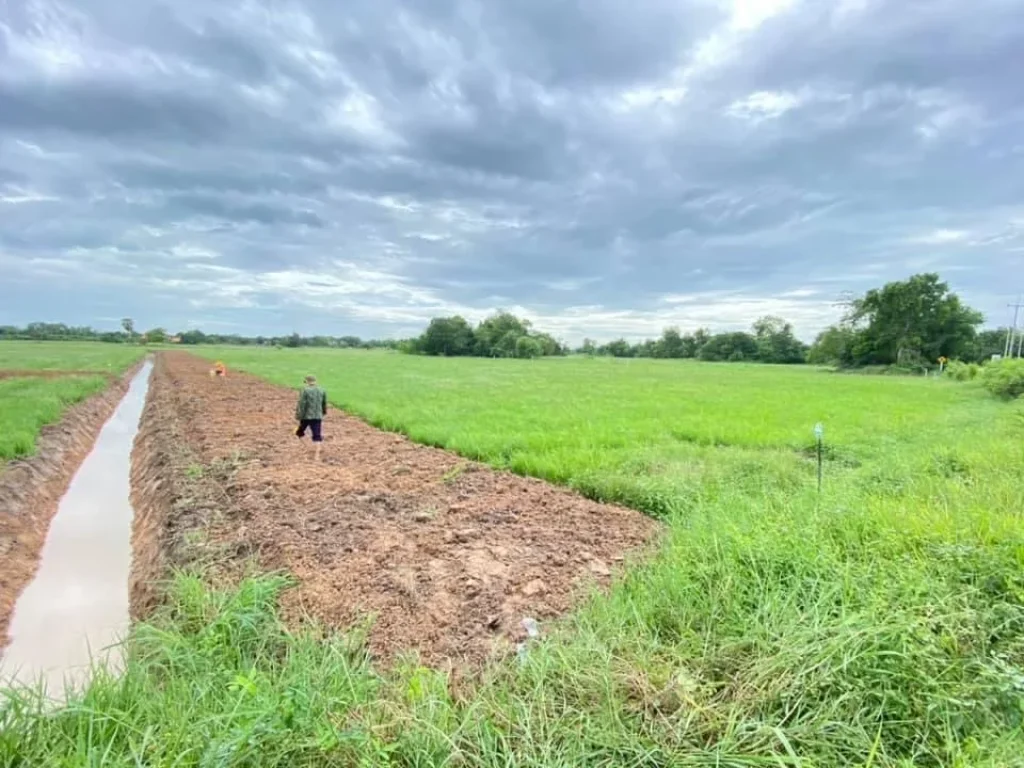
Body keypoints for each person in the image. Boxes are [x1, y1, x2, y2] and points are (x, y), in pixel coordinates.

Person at [295, 375, 327, 461]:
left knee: (299, 432)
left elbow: (302, 404)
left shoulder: (305, 391)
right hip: (317, 416)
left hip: (306, 416)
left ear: (307, 382)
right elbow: (323, 403)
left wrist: (298, 415)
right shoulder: (321, 390)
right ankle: (317, 455)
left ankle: (307, 447)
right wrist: (323, 412)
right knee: (317, 435)